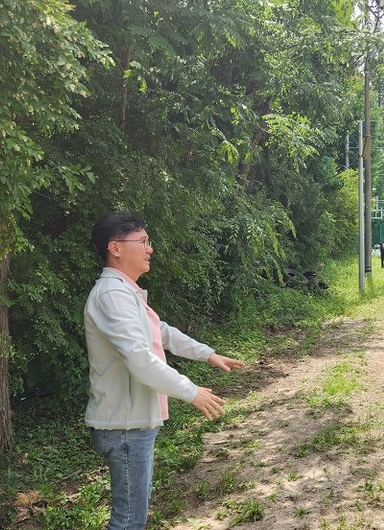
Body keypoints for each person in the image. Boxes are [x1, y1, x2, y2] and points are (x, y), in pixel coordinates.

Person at [84, 212, 246, 529]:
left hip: (131, 423)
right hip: (124, 426)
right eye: (142, 241)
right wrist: (191, 391)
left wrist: (209, 355)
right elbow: (140, 359)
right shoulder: (113, 295)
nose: (150, 249)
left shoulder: (125, 292)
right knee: (129, 520)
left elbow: (162, 332)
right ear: (115, 248)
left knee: (133, 513)